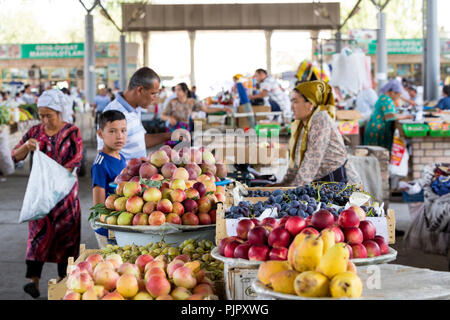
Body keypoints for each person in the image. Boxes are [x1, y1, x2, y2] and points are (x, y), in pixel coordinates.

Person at [11, 90, 83, 299]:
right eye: (41, 115)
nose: (44, 120)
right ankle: (33, 281)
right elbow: (15, 156)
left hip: (65, 197)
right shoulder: (35, 132)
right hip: (41, 196)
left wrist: (57, 178)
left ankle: (64, 282)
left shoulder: (72, 132)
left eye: (48, 115)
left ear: (60, 113)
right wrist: (27, 146)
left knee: (66, 238)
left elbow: (76, 160)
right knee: (37, 237)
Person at [276, 80, 361, 186]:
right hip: (321, 182)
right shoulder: (303, 125)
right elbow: (297, 162)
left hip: (337, 182)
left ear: (310, 104)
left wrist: (292, 189)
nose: (292, 107)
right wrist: (283, 184)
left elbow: (312, 160)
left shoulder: (320, 119)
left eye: (295, 101)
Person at [98, 67, 168, 161]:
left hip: (138, 173)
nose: (155, 98)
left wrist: (170, 136)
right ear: (140, 90)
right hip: (123, 174)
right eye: (152, 93)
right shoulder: (113, 113)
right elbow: (104, 156)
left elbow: (139, 141)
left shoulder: (136, 108)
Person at [91, 110, 127, 247]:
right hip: (108, 229)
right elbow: (98, 205)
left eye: (123, 130)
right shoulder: (100, 164)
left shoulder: (121, 157)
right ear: (100, 134)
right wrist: (109, 226)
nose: (119, 136)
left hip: (120, 224)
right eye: (112, 131)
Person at [364, 80, 414, 151]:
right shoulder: (387, 100)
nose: (399, 97)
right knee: (378, 156)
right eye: (398, 95)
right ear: (392, 92)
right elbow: (391, 116)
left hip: (375, 129)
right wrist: (407, 116)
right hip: (377, 132)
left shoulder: (383, 97)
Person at [161, 82, 232, 132]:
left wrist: (222, 108)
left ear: (185, 91)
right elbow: (162, 116)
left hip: (185, 129)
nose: (176, 92)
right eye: (176, 90)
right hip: (172, 129)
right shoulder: (172, 102)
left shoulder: (192, 102)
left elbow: (206, 109)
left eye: (179, 90)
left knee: (184, 150)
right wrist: (169, 118)